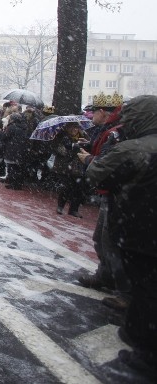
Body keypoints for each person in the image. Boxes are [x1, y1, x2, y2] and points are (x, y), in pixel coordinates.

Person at [86, 95, 157, 380]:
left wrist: (90, 161)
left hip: (138, 227)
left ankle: (144, 355)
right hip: (143, 226)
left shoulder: (134, 149)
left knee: (145, 291)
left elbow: (98, 174)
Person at [76, 92, 130, 307]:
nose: (90, 117)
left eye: (92, 113)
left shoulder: (116, 133)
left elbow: (110, 164)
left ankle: (123, 290)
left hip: (116, 193)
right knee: (102, 238)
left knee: (111, 241)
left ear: (101, 112)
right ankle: (105, 275)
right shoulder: (112, 130)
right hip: (112, 192)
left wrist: (88, 158)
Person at [50, 121, 88, 217]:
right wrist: (71, 147)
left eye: (76, 127)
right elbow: (58, 148)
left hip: (78, 167)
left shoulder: (83, 136)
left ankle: (74, 209)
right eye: (73, 127)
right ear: (68, 128)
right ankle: (60, 206)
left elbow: (89, 147)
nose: (75, 129)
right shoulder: (61, 136)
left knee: (78, 189)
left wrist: (84, 145)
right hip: (64, 166)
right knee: (65, 187)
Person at [0, 113, 29, 190]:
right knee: (18, 168)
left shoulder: (11, 127)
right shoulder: (24, 127)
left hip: (11, 149)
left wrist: (2, 132)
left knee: (11, 167)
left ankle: (12, 182)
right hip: (21, 149)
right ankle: (18, 184)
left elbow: (4, 137)